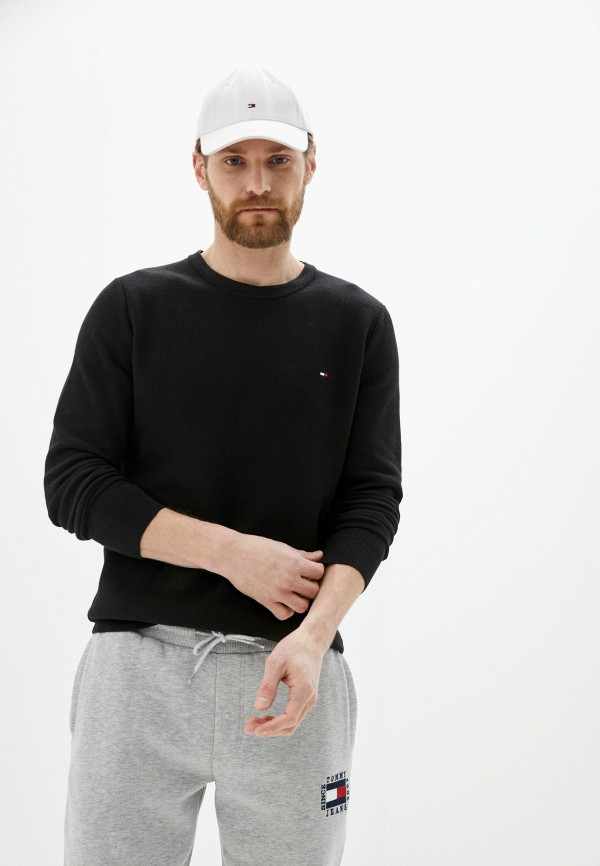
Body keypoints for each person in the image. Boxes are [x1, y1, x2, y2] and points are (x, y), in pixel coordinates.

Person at [44, 64, 402, 866]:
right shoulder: (133, 308)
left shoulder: (357, 324)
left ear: (311, 163)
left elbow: (372, 500)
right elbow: (73, 482)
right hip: (137, 672)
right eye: (235, 161)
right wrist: (232, 554)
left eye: (277, 160)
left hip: (294, 668)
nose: (258, 183)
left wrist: (315, 635)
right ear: (200, 168)